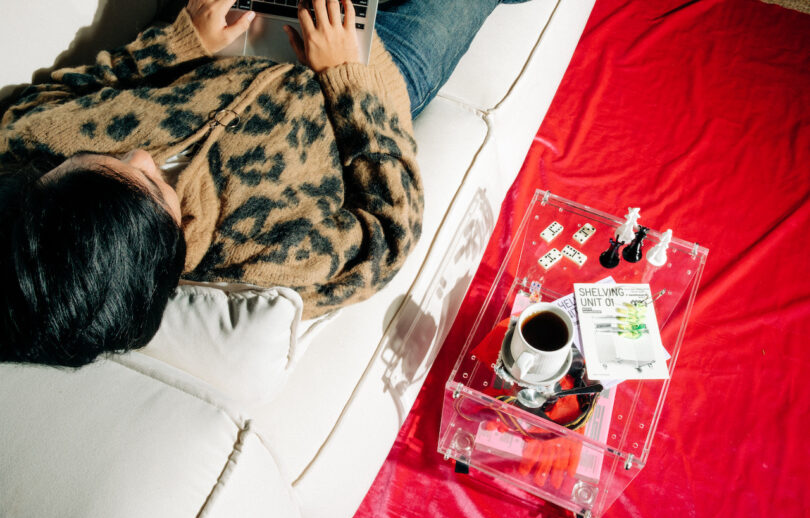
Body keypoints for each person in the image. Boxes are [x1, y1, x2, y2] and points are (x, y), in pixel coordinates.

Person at [0, 0, 529, 367]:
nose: (141, 154)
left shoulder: (32, 154)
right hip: (372, 69)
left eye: (108, 158)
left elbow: (47, 100)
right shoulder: (261, 263)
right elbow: (390, 233)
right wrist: (347, 73)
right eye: (152, 184)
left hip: (245, 31)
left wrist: (182, 42)